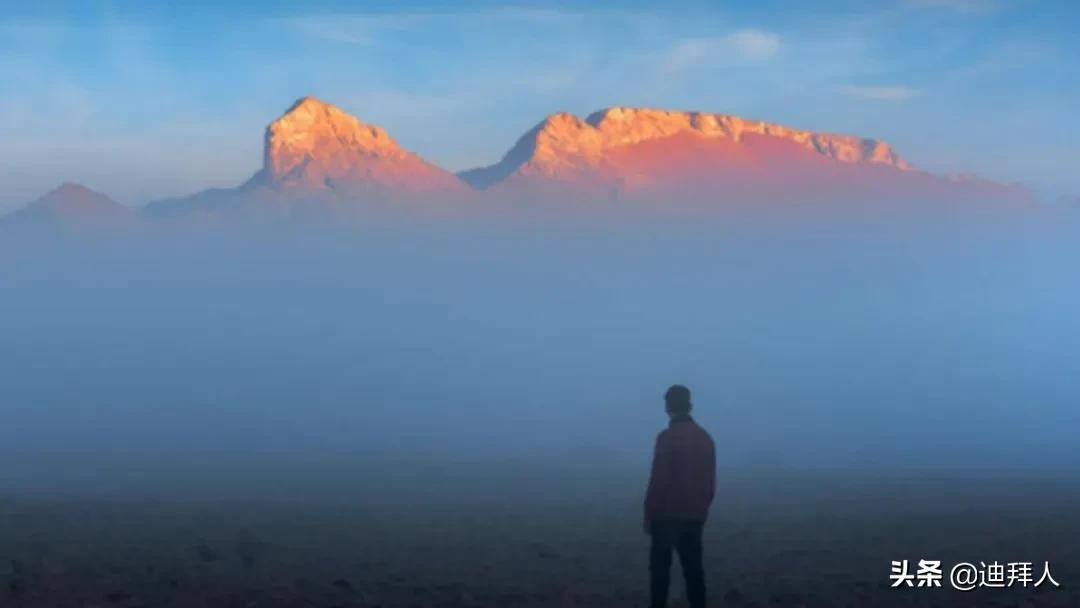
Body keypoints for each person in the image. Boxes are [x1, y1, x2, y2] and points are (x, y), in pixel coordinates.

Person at [644, 384, 716, 608]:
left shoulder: (667, 438)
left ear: (667, 408)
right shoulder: (705, 438)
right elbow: (710, 481)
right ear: (689, 406)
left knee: (660, 575)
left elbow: (659, 480)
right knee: (694, 572)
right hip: (694, 515)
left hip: (666, 515)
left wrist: (649, 514)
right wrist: (702, 509)